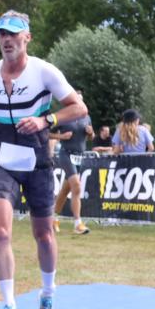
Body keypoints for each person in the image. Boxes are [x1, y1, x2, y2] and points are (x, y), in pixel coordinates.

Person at [0, 10, 87, 309]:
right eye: (1, 34)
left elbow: (79, 108)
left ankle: (48, 296)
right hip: (3, 160)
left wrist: (46, 121)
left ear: (27, 38)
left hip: (37, 159)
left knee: (44, 234)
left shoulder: (44, 71)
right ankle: (9, 307)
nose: (6, 40)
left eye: (13, 34)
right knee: (0, 233)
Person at [49, 90, 91, 235]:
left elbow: (90, 137)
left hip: (79, 156)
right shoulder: (64, 117)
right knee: (77, 186)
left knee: (65, 190)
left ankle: (53, 218)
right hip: (66, 154)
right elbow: (46, 133)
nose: (79, 103)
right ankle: (78, 224)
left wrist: (91, 133)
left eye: (81, 100)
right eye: (76, 100)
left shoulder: (86, 117)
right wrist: (61, 136)